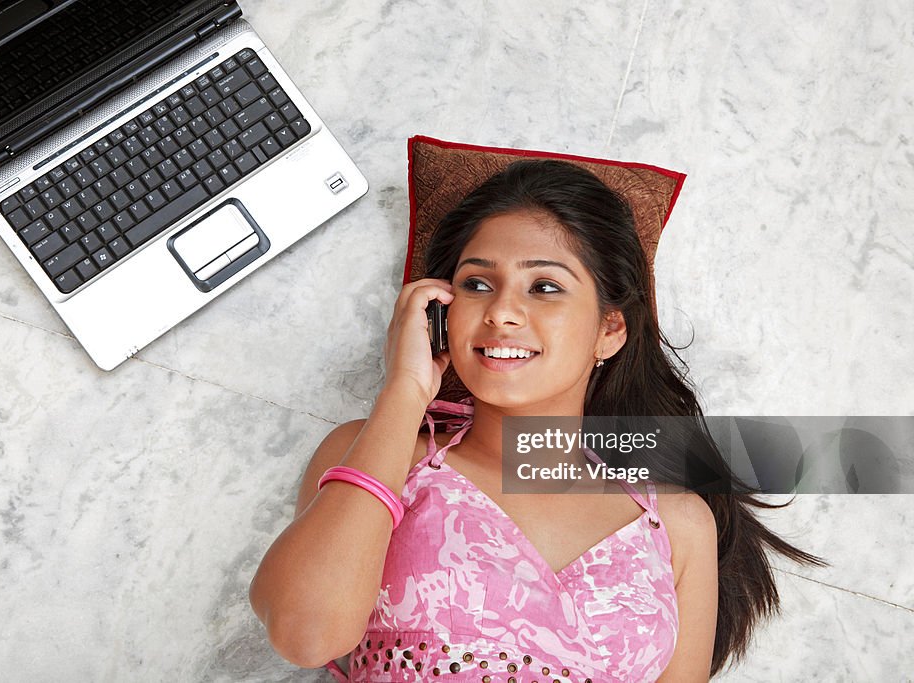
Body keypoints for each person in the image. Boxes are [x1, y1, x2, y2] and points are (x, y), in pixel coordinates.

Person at [249, 160, 824, 681]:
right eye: (477, 283)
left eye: (544, 287)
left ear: (610, 330)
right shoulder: (382, 451)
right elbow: (305, 634)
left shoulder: (677, 526)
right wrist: (404, 390)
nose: (501, 310)